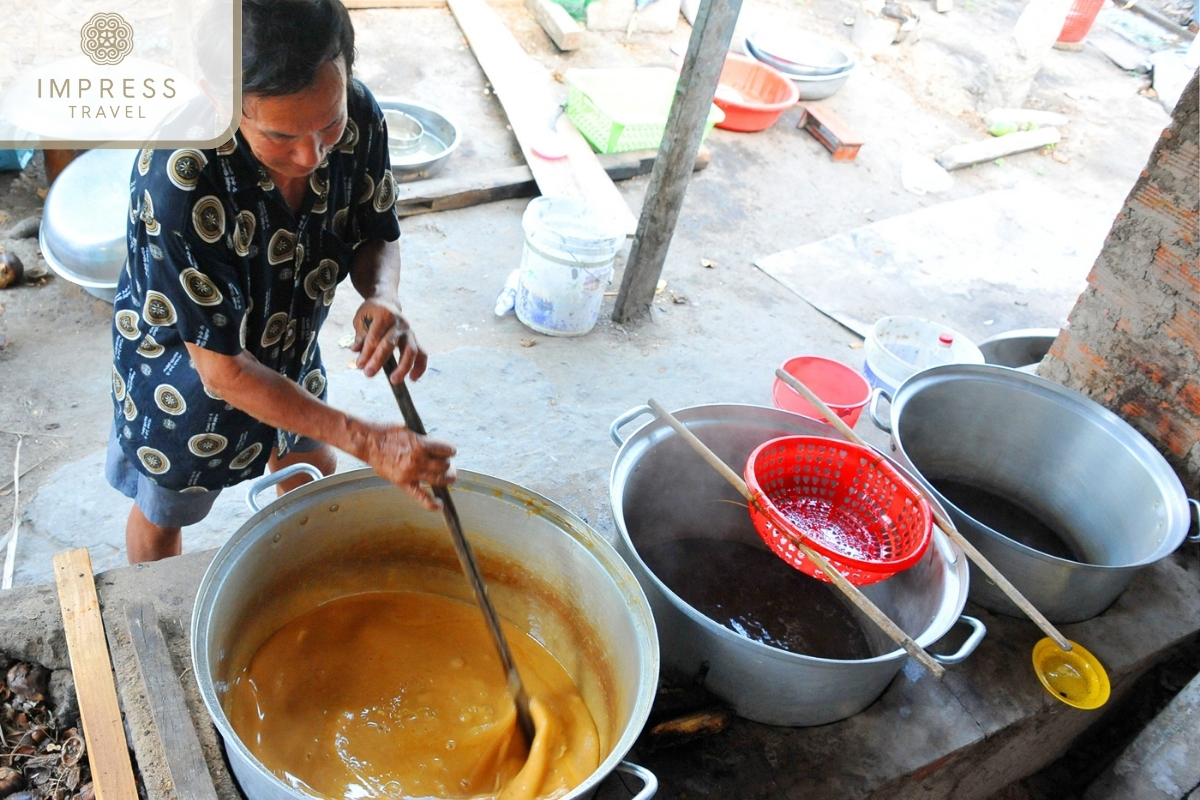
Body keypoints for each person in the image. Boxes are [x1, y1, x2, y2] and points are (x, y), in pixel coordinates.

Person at [106, 0, 456, 563]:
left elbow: (377, 230)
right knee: (165, 511)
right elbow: (223, 372)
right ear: (221, 101)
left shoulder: (360, 115)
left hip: (289, 344)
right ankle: (154, 599)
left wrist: (382, 296)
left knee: (312, 468)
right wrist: (367, 439)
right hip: (186, 385)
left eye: (328, 124)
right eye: (279, 136)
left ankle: (304, 584)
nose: (312, 154)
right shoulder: (178, 180)